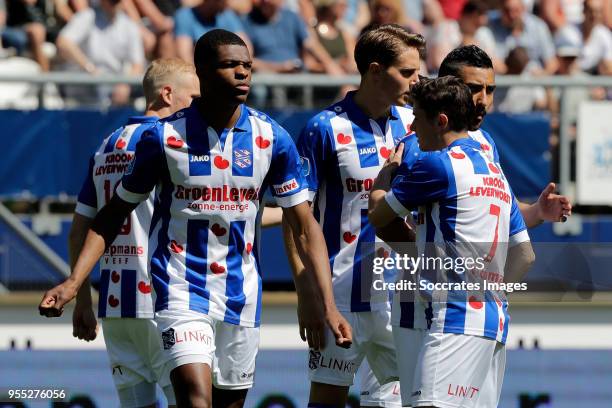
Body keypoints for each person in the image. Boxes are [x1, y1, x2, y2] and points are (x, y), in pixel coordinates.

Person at [40, 29, 351, 408]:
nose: (242, 74)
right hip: (179, 288)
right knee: (194, 398)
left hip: (242, 293)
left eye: (247, 66)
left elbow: (304, 225)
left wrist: (327, 303)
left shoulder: (271, 137)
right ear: (202, 71)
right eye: (229, 65)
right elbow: (111, 216)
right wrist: (75, 283)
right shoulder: (164, 138)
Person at [368, 76, 536, 408]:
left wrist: (387, 173)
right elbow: (525, 254)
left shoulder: (438, 164)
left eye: (416, 117)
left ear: (441, 121)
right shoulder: (496, 171)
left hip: (454, 318)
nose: (412, 126)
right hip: (493, 320)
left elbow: (377, 216)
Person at [283, 24, 424, 408]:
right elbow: (296, 220)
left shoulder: (415, 127)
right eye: (408, 72)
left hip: (399, 296)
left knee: (407, 402)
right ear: (375, 70)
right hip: (340, 296)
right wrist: (307, 294)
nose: (418, 80)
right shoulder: (324, 129)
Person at [70, 58, 200, 408]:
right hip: (164, 302)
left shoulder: (107, 146)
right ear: (168, 93)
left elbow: (80, 227)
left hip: (116, 307)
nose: (199, 107)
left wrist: (83, 298)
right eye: (194, 97)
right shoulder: (170, 142)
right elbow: (208, 208)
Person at [488, 0, 558, 74]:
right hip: (502, 81)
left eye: (516, 10)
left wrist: (543, 75)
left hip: (533, 83)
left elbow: (552, 63)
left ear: (523, 9)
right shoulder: (490, 26)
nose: (511, 15)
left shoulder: (538, 26)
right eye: (507, 11)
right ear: (500, 9)